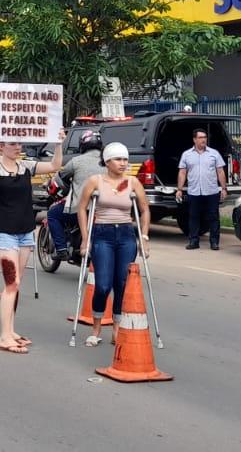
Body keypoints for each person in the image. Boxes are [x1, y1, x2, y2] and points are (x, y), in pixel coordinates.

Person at [0, 129, 65, 353]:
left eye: (20, 143)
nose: (18, 147)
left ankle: (11, 330)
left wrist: (58, 143)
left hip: (25, 231)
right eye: (13, 144)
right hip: (3, 232)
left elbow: (54, 166)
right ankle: (4, 336)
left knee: (17, 283)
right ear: (1, 147)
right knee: (11, 283)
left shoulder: (26, 166)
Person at [76, 142, 151, 347]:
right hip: (102, 234)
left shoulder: (133, 182)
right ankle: (96, 329)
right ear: (107, 161)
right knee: (102, 285)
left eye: (125, 159)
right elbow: (82, 208)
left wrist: (143, 238)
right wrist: (85, 238)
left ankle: (117, 329)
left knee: (122, 284)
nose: (123, 163)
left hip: (126, 235)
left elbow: (144, 210)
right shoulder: (95, 181)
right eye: (118, 159)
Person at [50, 129, 106, 262]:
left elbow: (61, 177)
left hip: (81, 209)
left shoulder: (76, 161)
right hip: (104, 210)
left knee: (53, 214)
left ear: (82, 144)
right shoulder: (108, 161)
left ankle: (61, 249)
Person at [176, 129, 228, 250]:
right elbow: (182, 172)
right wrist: (179, 189)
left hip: (211, 191)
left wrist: (224, 188)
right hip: (194, 192)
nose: (203, 139)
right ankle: (194, 241)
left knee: (213, 217)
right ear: (194, 139)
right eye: (200, 137)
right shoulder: (187, 154)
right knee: (194, 217)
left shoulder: (214, 153)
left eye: (204, 137)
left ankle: (214, 242)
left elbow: (220, 171)